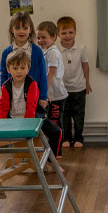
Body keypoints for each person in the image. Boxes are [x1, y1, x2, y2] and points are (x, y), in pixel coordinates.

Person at [0, 49, 63, 160]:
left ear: (28, 69)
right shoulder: (6, 86)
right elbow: (3, 107)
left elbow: (31, 106)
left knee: (57, 132)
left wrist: (27, 127)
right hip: (12, 118)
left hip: (32, 118)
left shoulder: (32, 84)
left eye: (22, 68)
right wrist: (2, 126)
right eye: (15, 68)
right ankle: (0, 159)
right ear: (8, 69)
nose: (19, 72)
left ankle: (50, 160)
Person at [56, 16, 92, 148]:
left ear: (75, 32)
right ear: (58, 34)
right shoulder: (56, 50)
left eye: (71, 32)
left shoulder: (81, 47)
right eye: (64, 33)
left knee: (78, 115)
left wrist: (87, 83)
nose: (67, 36)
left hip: (79, 87)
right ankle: (66, 138)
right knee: (64, 115)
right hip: (62, 89)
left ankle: (78, 138)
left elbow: (85, 65)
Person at [0, 12, 48, 104]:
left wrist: (43, 97)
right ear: (12, 30)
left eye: (25, 28)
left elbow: (43, 75)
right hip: (13, 99)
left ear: (30, 30)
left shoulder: (37, 51)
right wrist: (5, 95)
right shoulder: (6, 53)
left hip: (33, 99)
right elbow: (3, 75)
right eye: (17, 28)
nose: (21, 31)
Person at [37, 21, 68, 157]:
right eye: (38, 37)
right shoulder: (47, 52)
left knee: (54, 125)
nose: (40, 40)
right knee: (50, 123)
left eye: (44, 37)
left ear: (54, 37)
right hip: (51, 94)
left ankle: (56, 153)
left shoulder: (53, 53)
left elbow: (51, 72)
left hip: (55, 95)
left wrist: (44, 92)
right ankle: (51, 151)